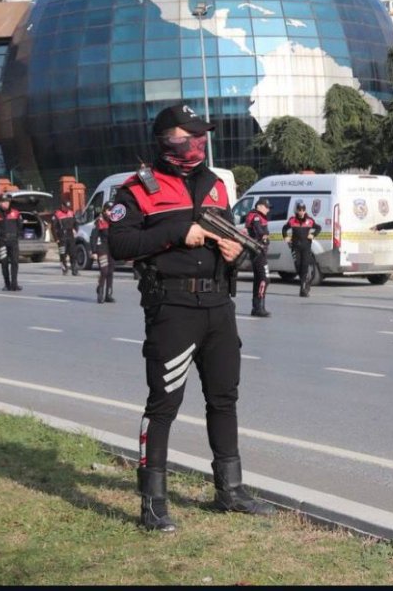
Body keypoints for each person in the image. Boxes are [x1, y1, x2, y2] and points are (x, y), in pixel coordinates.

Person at [108, 104, 273, 532]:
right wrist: (177, 233)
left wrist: (233, 255)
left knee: (224, 399)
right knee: (163, 406)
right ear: (165, 140)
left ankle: (230, 490)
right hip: (173, 309)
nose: (196, 145)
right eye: (188, 137)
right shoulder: (138, 189)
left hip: (219, 307)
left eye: (201, 137)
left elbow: (231, 239)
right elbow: (119, 244)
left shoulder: (216, 185)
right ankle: (153, 502)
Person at [282, 201, 321, 298]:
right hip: (295, 247)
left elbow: (318, 228)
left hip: (306, 247)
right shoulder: (292, 220)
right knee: (298, 266)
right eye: (300, 210)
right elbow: (284, 228)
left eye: (303, 210)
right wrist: (285, 236)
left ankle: (303, 289)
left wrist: (313, 234)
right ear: (296, 210)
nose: (301, 212)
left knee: (304, 266)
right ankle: (305, 282)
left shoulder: (309, 220)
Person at [244, 199, 272, 316]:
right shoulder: (255, 216)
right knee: (264, 279)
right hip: (258, 251)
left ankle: (257, 307)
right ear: (259, 206)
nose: (268, 209)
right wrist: (264, 236)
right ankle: (259, 307)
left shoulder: (259, 216)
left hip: (259, 251)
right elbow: (257, 229)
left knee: (258, 280)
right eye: (266, 207)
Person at [0, 192, 23, 291]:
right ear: (0, 203)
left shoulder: (16, 213)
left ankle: (14, 284)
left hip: (13, 241)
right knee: (4, 263)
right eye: (3, 202)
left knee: (15, 262)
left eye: (7, 202)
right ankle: (7, 284)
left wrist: (16, 235)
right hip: (3, 241)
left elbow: (20, 226)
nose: (5, 204)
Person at [92, 202, 116, 303]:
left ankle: (108, 295)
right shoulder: (99, 221)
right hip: (102, 248)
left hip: (112, 249)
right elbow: (93, 237)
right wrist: (94, 251)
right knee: (104, 271)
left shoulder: (116, 221)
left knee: (110, 272)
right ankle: (100, 293)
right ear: (104, 210)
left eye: (112, 210)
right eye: (108, 210)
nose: (110, 212)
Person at [51, 200, 80, 276]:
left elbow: (76, 223)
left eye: (68, 207)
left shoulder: (71, 213)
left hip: (70, 236)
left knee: (73, 253)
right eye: (66, 207)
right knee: (63, 254)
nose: (67, 209)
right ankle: (64, 268)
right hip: (62, 237)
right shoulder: (57, 214)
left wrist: (76, 229)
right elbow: (53, 228)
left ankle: (74, 269)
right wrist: (56, 238)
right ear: (62, 206)